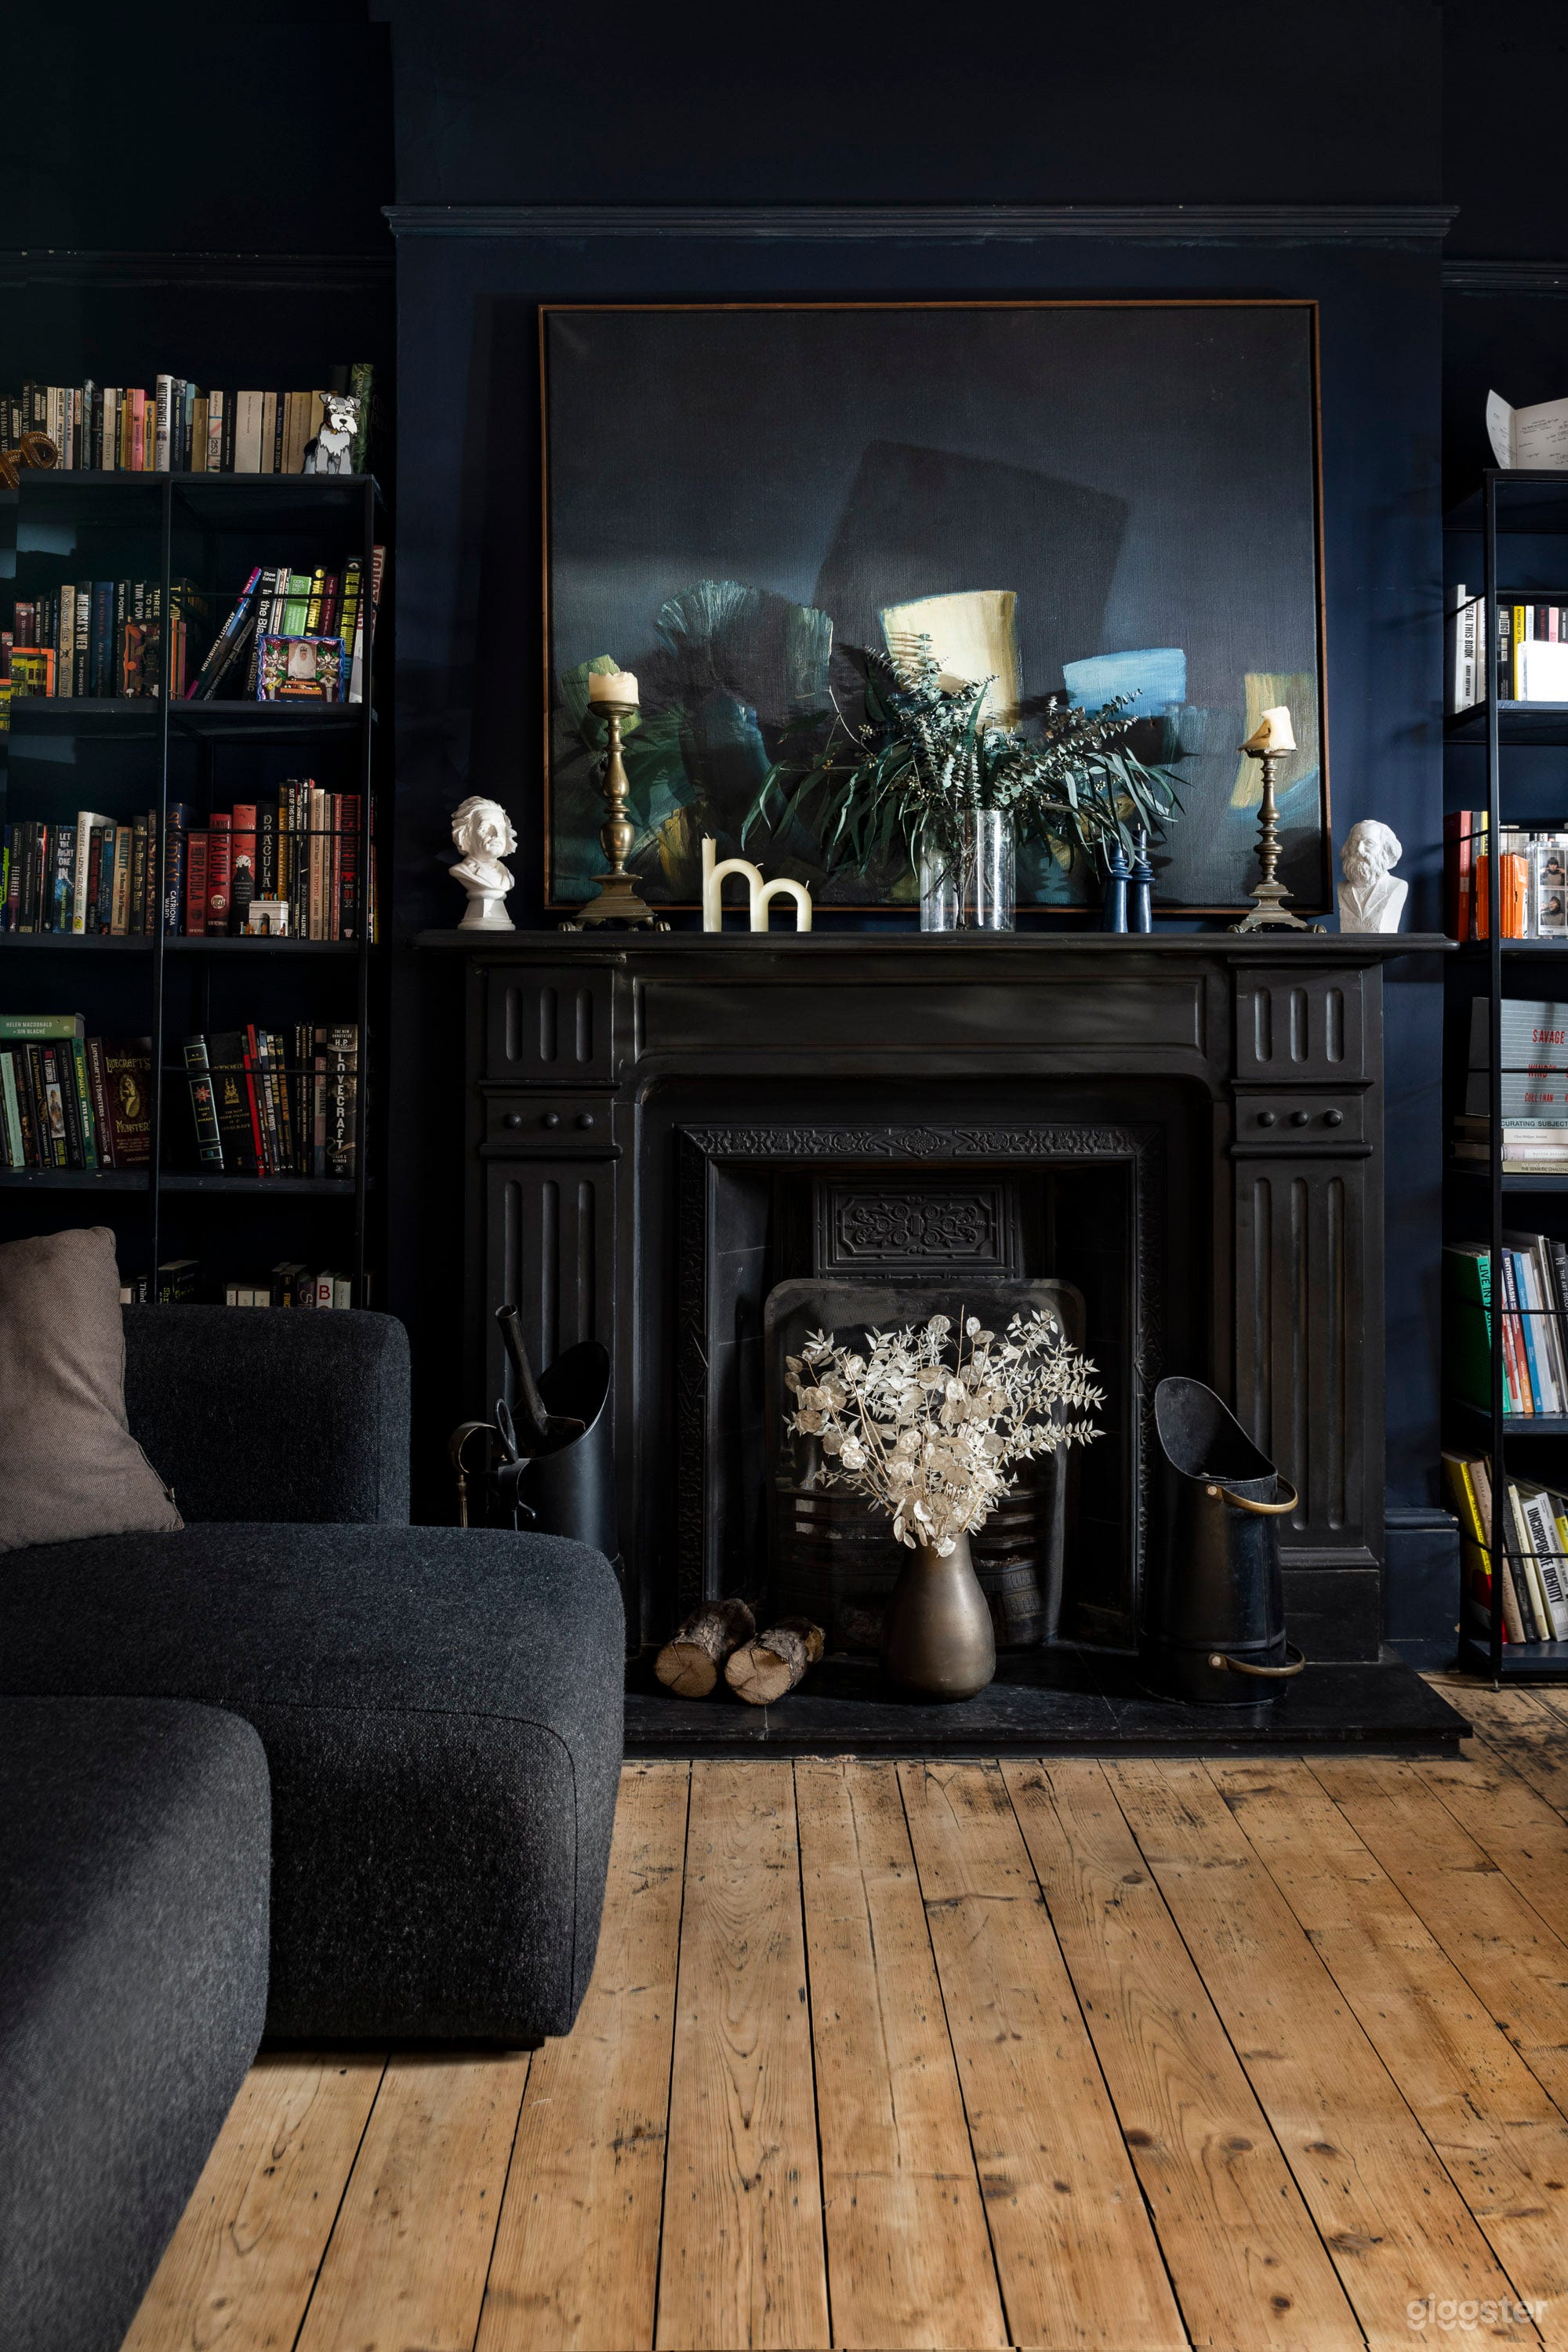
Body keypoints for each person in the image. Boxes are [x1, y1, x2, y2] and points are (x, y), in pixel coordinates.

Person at [448, 796, 517, 930]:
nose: (496, 834)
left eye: (501, 827)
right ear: (466, 835)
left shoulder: (507, 877)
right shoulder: (462, 871)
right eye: (486, 827)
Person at [1338, 818, 1406, 934]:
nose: (1359, 850)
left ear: (1385, 849)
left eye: (1369, 843)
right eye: (1354, 843)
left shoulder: (1397, 886)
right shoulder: (1340, 889)